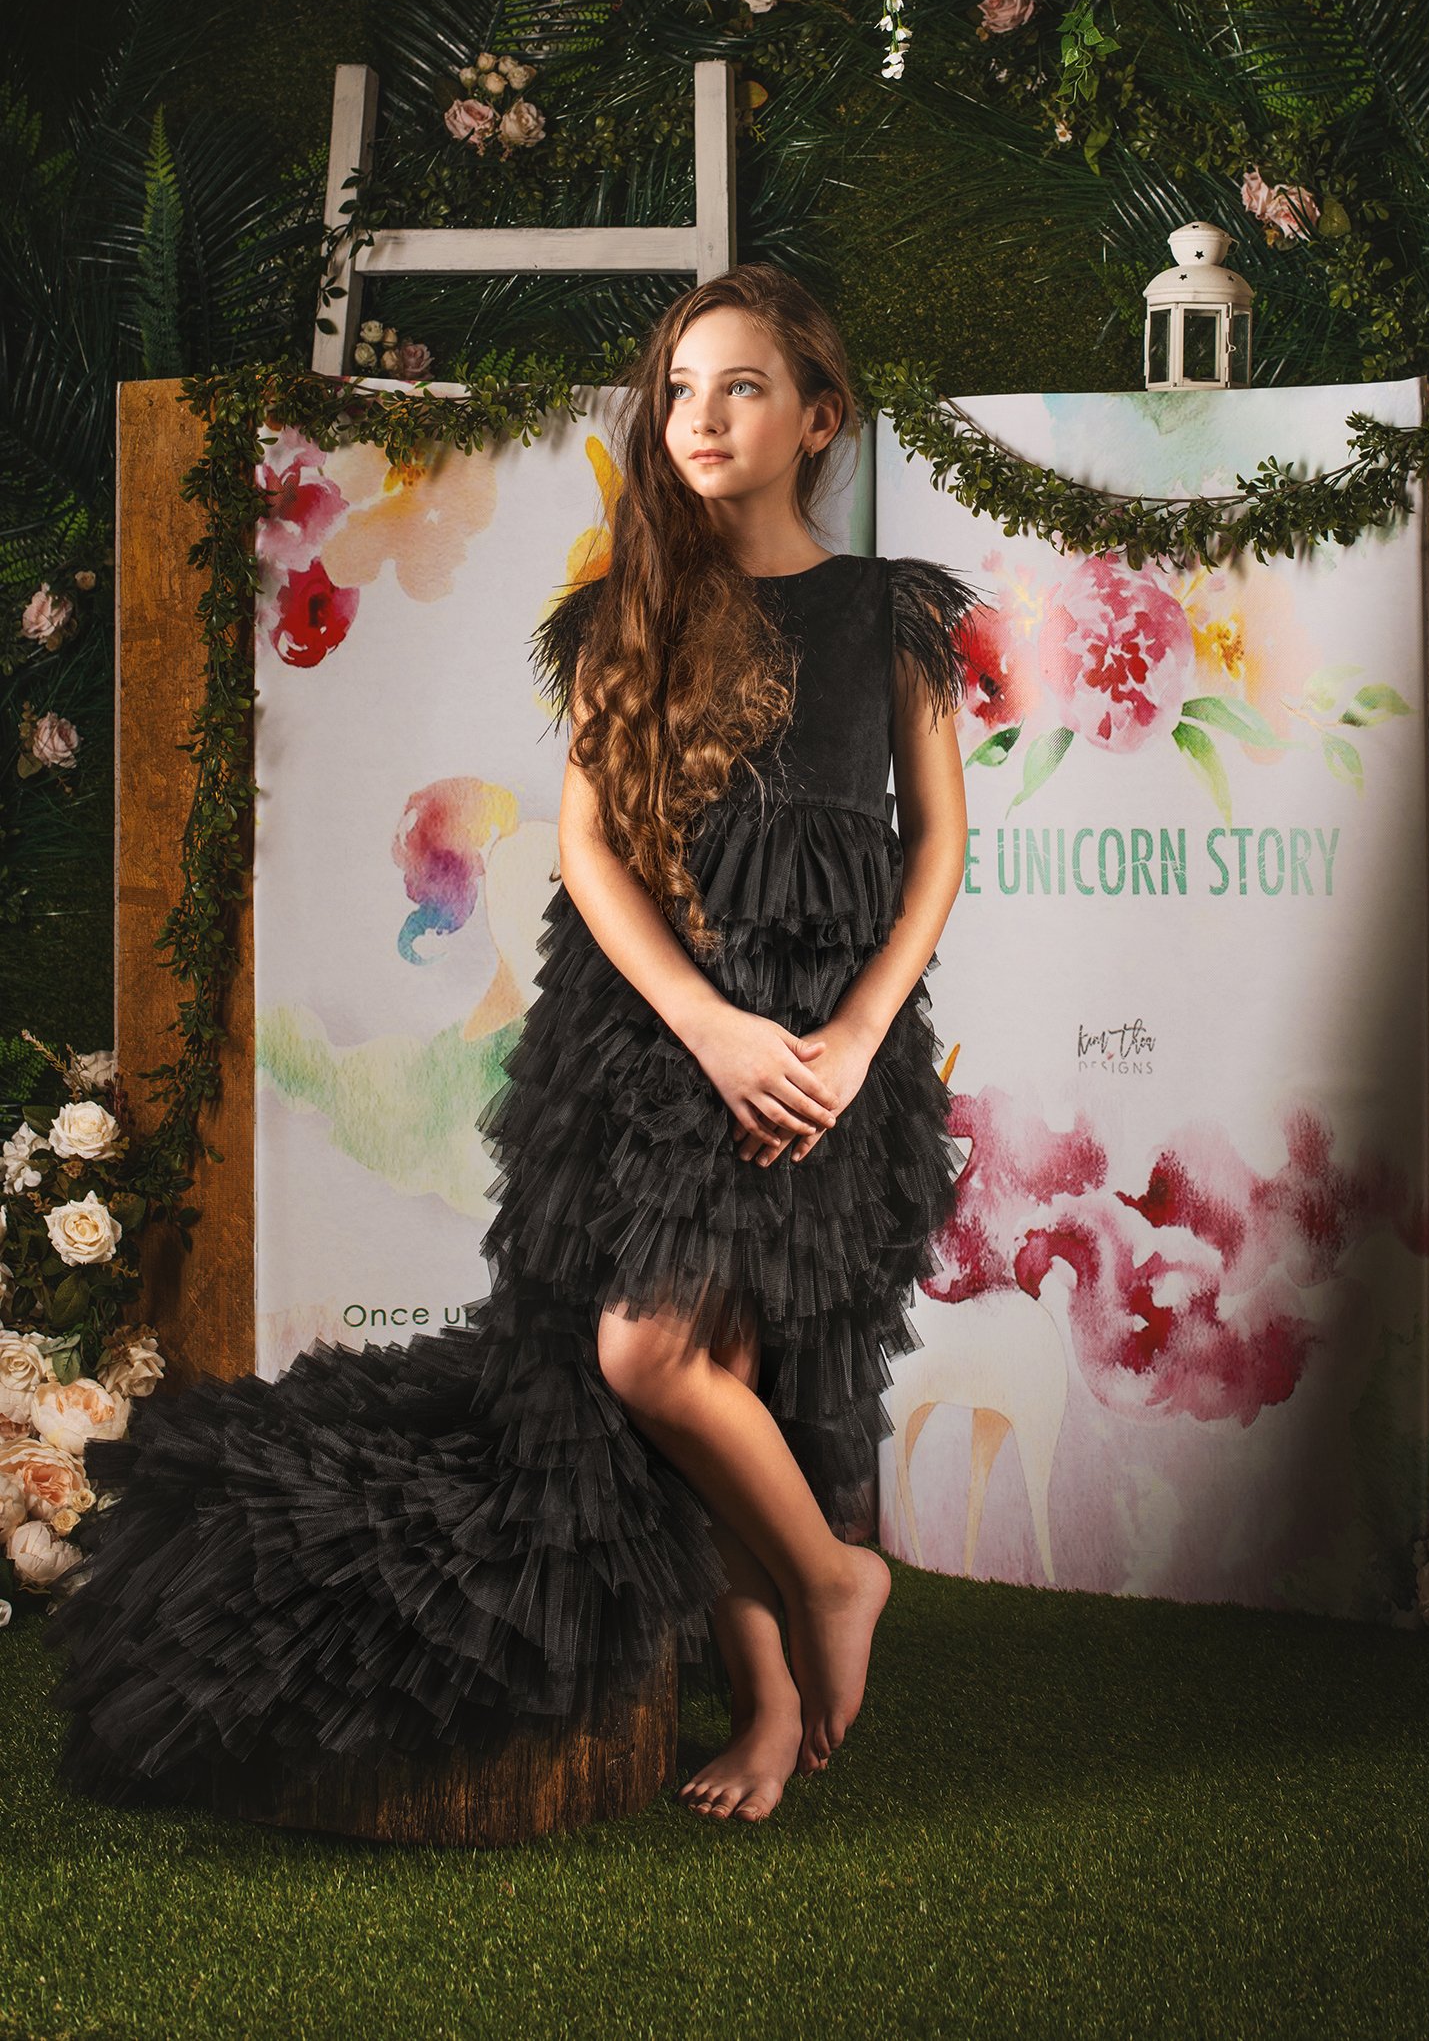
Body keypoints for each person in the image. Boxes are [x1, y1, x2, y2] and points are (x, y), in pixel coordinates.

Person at [45, 261, 983, 1829]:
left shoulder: (887, 614)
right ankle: (835, 1581)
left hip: (827, 1043)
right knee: (652, 1356)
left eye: (743, 387)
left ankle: (771, 1692)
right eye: (679, 390)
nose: (702, 417)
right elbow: (590, 851)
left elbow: (937, 844)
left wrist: (855, 1031)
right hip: (663, 1036)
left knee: (730, 1368)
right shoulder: (631, 608)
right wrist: (706, 1024)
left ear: (821, 418)